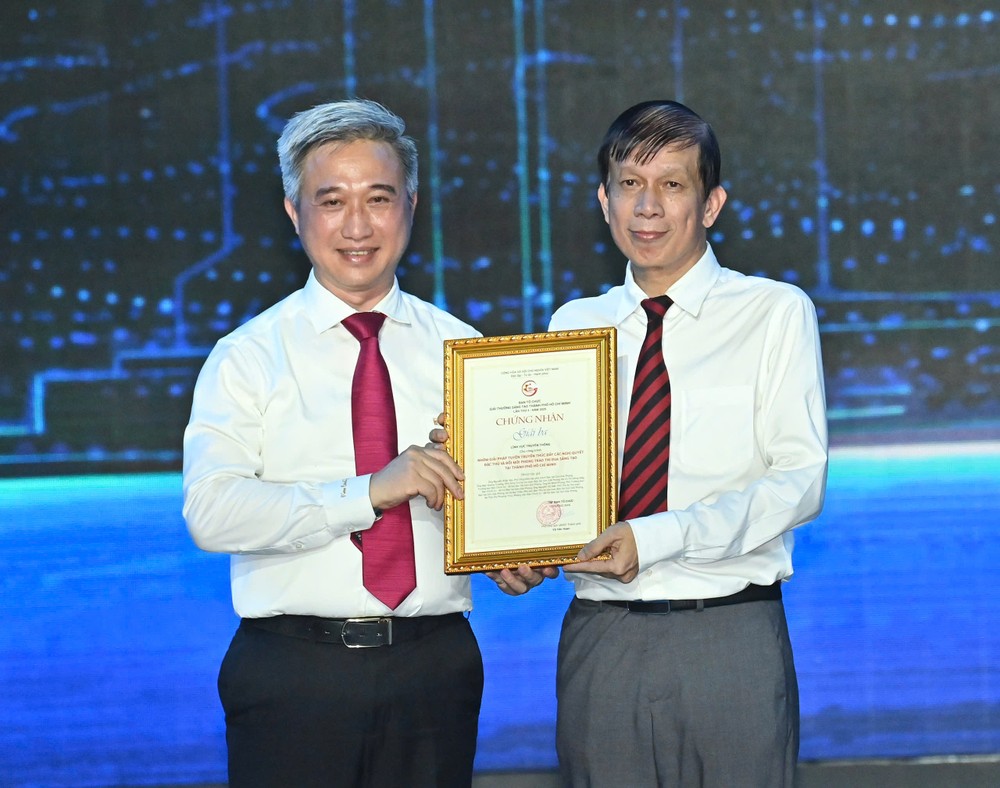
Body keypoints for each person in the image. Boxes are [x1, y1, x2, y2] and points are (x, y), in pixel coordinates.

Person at [183, 99, 516, 788]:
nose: (357, 226)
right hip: (291, 677)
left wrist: (507, 548)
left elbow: (485, 499)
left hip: (435, 671)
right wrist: (370, 491)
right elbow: (212, 513)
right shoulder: (247, 357)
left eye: (379, 198)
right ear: (293, 211)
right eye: (331, 200)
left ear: (411, 205)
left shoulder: (466, 352)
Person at [499, 99, 829, 786]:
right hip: (602, 637)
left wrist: (656, 537)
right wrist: (518, 546)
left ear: (710, 204)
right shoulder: (573, 324)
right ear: (604, 199)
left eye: (672, 185)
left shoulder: (773, 313)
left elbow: (798, 480)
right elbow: (548, 477)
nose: (647, 206)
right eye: (629, 183)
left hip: (730, 637)